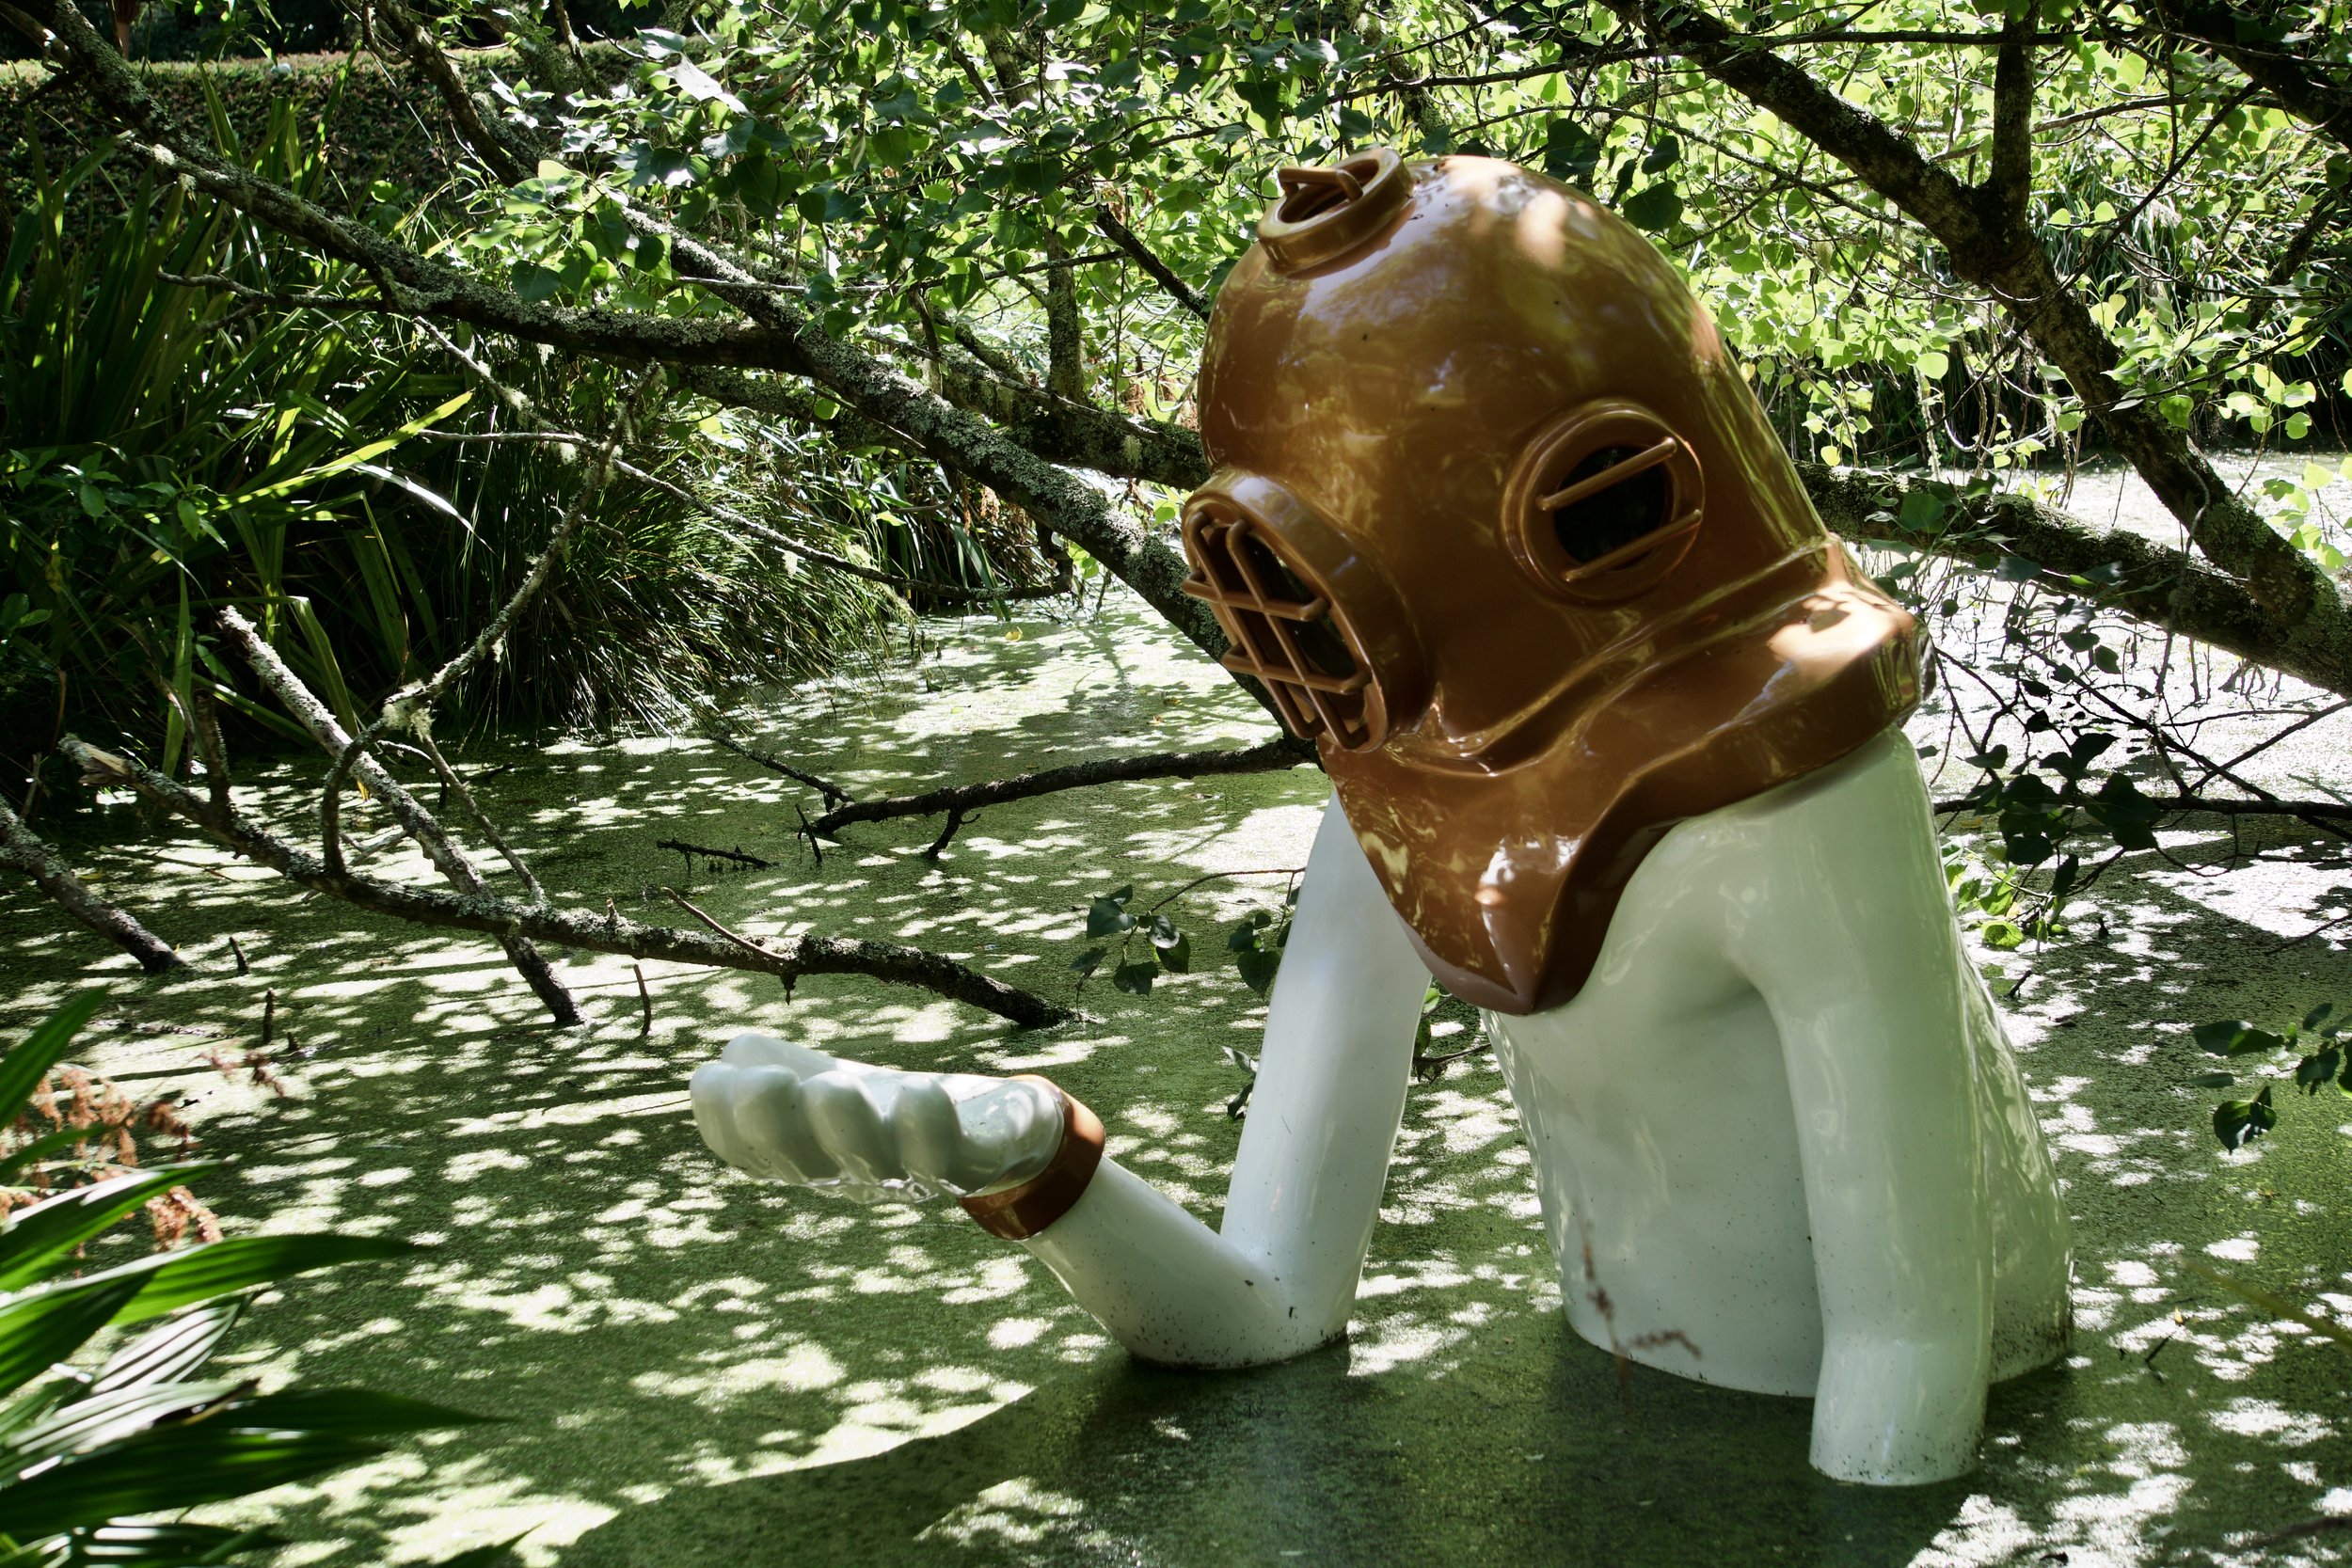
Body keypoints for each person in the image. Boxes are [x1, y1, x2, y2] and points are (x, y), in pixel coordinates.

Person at [690, 150, 2073, 1486]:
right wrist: (1039, 1164)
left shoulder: (1806, 811)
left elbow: (1912, 1367)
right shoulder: (1402, 815)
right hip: (1607, 1407)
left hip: (1891, 1424)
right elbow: (1272, 1308)